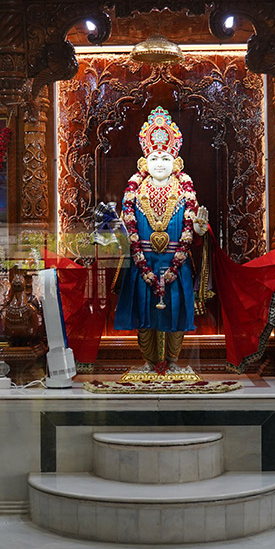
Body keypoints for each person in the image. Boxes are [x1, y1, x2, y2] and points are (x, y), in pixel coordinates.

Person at [114, 107, 208, 375]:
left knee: (175, 314)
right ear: (144, 161)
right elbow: (125, 229)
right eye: (154, 157)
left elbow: (194, 229)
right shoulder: (133, 191)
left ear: (176, 162)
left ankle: (173, 362)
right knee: (144, 312)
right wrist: (116, 230)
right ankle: (148, 361)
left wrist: (199, 230)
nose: (159, 163)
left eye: (165, 158)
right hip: (142, 261)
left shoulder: (185, 190)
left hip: (175, 260)